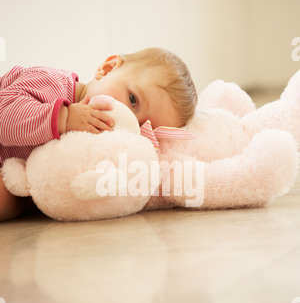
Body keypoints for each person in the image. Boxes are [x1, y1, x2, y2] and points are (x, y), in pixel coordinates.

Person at [0, 47, 198, 221]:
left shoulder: (95, 146)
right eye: (133, 100)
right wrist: (65, 117)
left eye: (141, 129)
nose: (127, 119)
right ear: (108, 68)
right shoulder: (51, 83)